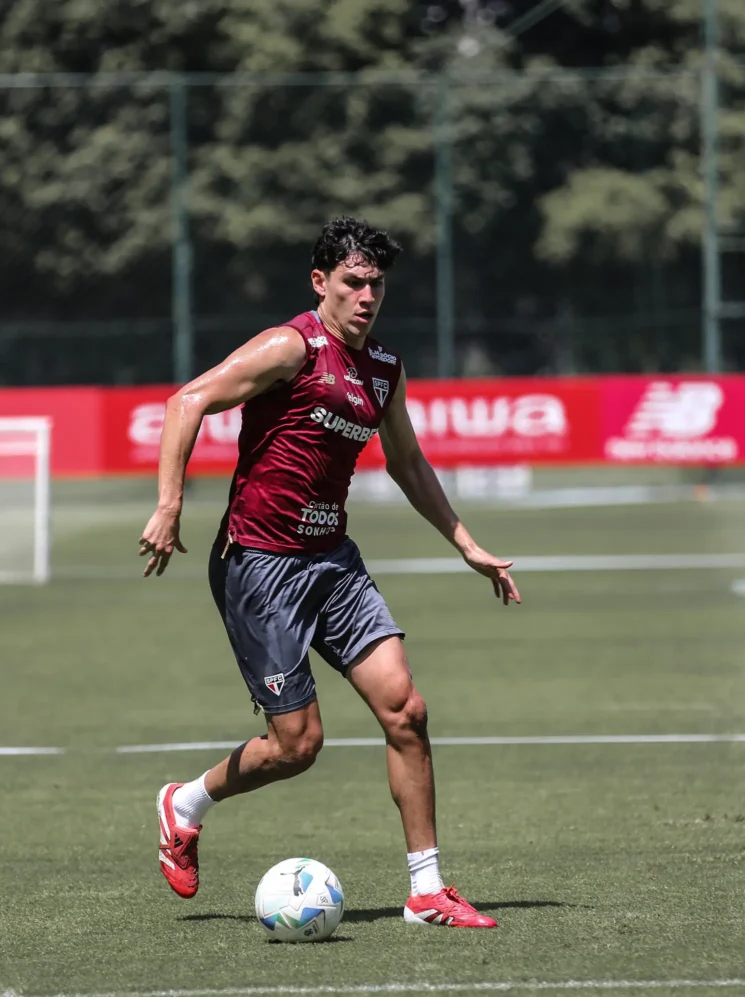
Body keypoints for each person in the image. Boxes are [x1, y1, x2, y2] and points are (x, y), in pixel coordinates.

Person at [139, 216, 521, 928]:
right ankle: (184, 803)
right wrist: (169, 505)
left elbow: (407, 462)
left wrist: (464, 542)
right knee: (298, 746)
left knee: (406, 709)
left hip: (333, 563)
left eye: (376, 285)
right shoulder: (291, 347)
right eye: (352, 282)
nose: (366, 296)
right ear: (320, 283)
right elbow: (186, 401)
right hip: (260, 564)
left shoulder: (383, 369)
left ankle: (426, 890)